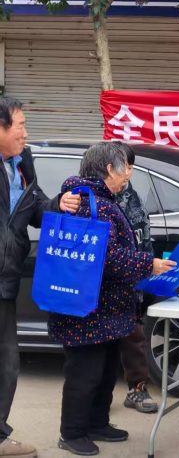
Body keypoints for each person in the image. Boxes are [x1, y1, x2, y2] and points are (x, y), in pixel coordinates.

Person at [48, 142, 176, 456]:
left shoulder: (100, 200)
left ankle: (97, 423)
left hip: (103, 307)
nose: (128, 175)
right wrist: (148, 264)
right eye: (126, 168)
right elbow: (105, 257)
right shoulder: (91, 204)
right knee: (85, 373)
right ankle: (72, 433)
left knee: (105, 371)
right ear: (109, 169)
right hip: (86, 309)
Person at [0, 97, 80, 458]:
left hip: (6, 279)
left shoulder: (21, 163)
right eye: (19, 126)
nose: (25, 133)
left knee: (7, 365)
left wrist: (58, 204)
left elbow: (34, 207)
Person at [114, 143, 158, 414]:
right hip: (105, 282)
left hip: (132, 280)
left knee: (134, 337)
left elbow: (145, 237)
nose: (128, 172)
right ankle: (95, 402)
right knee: (98, 349)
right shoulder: (95, 198)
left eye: (131, 166)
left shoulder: (133, 197)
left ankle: (137, 389)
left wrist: (146, 269)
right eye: (124, 166)